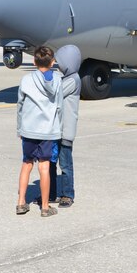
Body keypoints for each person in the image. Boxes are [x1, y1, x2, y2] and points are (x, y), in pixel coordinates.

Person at [16, 46, 63, 217]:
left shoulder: (26, 79)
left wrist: (20, 128)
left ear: (34, 62)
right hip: (47, 130)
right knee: (44, 166)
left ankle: (21, 202)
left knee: (26, 164)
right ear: (52, 62)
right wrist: (59, 129)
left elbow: (20, 105)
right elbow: (59, 107)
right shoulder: (57, 80)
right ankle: (44, 207)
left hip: (29, 129)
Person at [54, 45, 81, 208]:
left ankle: (67, 194)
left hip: (65, 131)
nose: (58, 65)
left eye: (61, 62)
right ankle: (52, 193)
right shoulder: (67, 78)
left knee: (65, 165)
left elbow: (55, 94)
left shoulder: (73, 80)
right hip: (58, 130)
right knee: (52, 163)